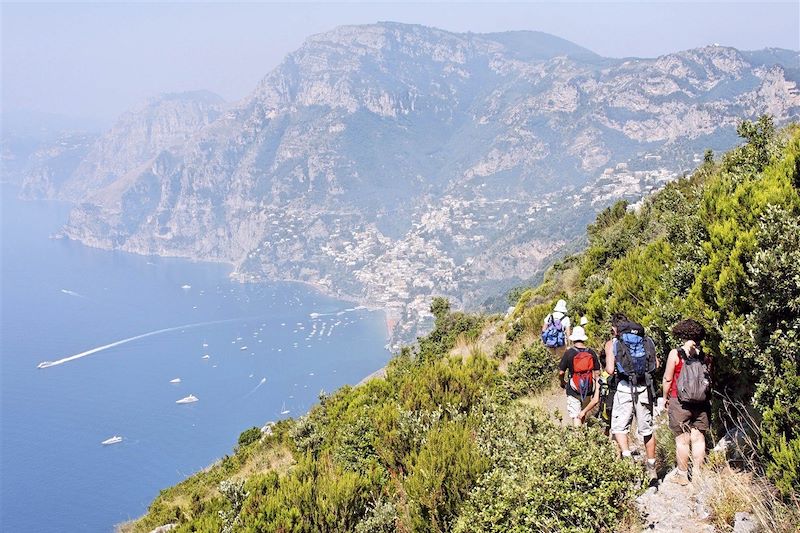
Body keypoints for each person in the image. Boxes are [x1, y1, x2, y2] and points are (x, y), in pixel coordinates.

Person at [605, 315, 659, 479]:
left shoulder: (612, 343)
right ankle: (652, 468)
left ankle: (628, 459)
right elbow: (655, 364)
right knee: (646, 430)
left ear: (615, 328)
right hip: (644, 387)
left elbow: (609, 370)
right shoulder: (646, 340)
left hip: (624, 388)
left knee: (620, 427)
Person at [662, 319, 710, 486]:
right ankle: (697, 475)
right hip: (701, 402)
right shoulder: (705, 356)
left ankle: (682, 475)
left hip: (679, 400)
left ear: (681, 334)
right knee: (698, 438)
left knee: (682, 439)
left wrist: (664, 397)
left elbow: (668, 378)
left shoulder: (675, 354)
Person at [558, 326, 600, 427]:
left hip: (574, 388)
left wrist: (562, 382)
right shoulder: (591, 352)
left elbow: (561, 372)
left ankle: (578, 438)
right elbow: (597, 372)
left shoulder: (569, 353)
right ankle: (584, 433)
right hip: (588, 387)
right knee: (583, 412)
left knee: (576, 416)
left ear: (573, 339)